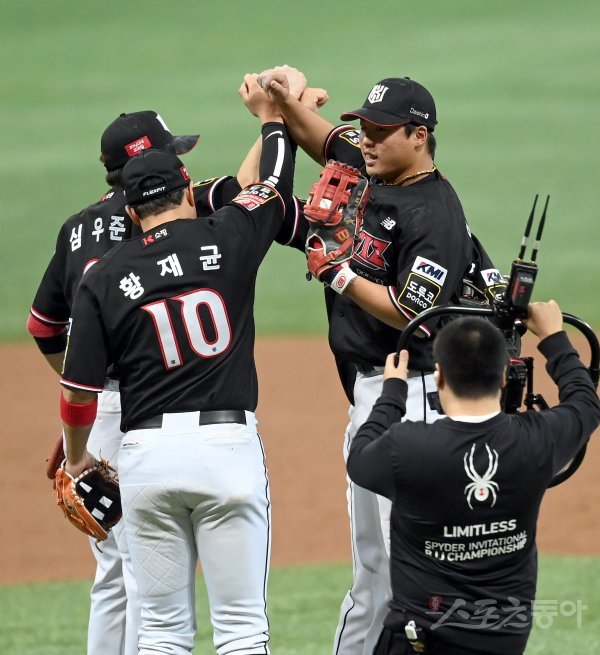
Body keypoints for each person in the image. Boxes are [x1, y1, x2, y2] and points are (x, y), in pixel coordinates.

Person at [254, 68, 505, 655]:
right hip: (375, 397)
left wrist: (338, 273)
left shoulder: (435, 214)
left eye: (381, 131)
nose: (366, 140)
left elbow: (412, 311)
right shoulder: (370, 165)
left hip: (414, 398)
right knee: (376, 573)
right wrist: (283, 103)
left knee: (407, 573)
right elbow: (323, 138)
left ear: (419, 136)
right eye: (364, 127)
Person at [58, 88, 294, 655]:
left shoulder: (104, 276)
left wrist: (76, 457)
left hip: (146, 459)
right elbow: (272, 185)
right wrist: (274, 120)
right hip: (227, 449)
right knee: (242, 628)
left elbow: (78, 391)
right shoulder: (228, 236)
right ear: (190, 192)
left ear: (131, 213)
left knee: (162, 632)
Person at [27, 109, 202, 655]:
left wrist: (84, 391)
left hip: (100, 410)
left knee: (112, 572)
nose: (180, 162)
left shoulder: (76, 226)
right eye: (171, 152)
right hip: (152, 406)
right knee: (149, 570)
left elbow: (43, 326)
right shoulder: (160, 215)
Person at [346, 300, 600, 654]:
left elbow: (359, 458)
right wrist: (554, 338)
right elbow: (585, 404)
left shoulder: (407, 448)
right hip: (503, 640)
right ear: (503, 376)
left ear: (439, 378)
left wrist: (392, 394)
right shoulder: (539, 440)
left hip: (421, 640)